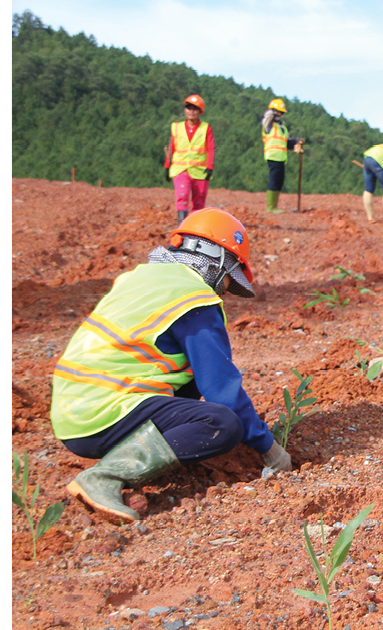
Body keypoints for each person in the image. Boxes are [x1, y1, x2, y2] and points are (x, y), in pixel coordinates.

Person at [50, 208, 293, 524]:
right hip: (103, 413)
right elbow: (223, 391)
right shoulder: (193, 298)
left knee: (187, 376)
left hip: (74, 409)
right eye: (226, 280)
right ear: (216, 262)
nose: (221, 291)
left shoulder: (142, 278)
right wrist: (269, 448)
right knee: (223, 423)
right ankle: (105, 477)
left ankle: (141, 458)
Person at [163, 94, 214, 223]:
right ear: (185, 110)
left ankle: (194, 227)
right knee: (182, 196)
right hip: (180, 169)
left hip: (200, 171)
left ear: (200, 111)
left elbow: (211, 148)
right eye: (189, 108)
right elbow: (171, 147)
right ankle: (182, 225)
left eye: (195, 108)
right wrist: (167, 166)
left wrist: (209, 167)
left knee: (199, 202)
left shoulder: (205, 128)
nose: (191, 111)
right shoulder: (177, 127)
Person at [261, 98, 302, 214]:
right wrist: (271, 111)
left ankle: (274, 205)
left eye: (281, 112)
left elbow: (287, 143)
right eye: (277, 111)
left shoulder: (282, 128)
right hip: (272, 156)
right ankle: (271, 207)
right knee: (274, 180)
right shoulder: (268, 124)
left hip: (281, 158)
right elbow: (268, 116)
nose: (279, 114)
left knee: (279, 181)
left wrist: (296, 141)